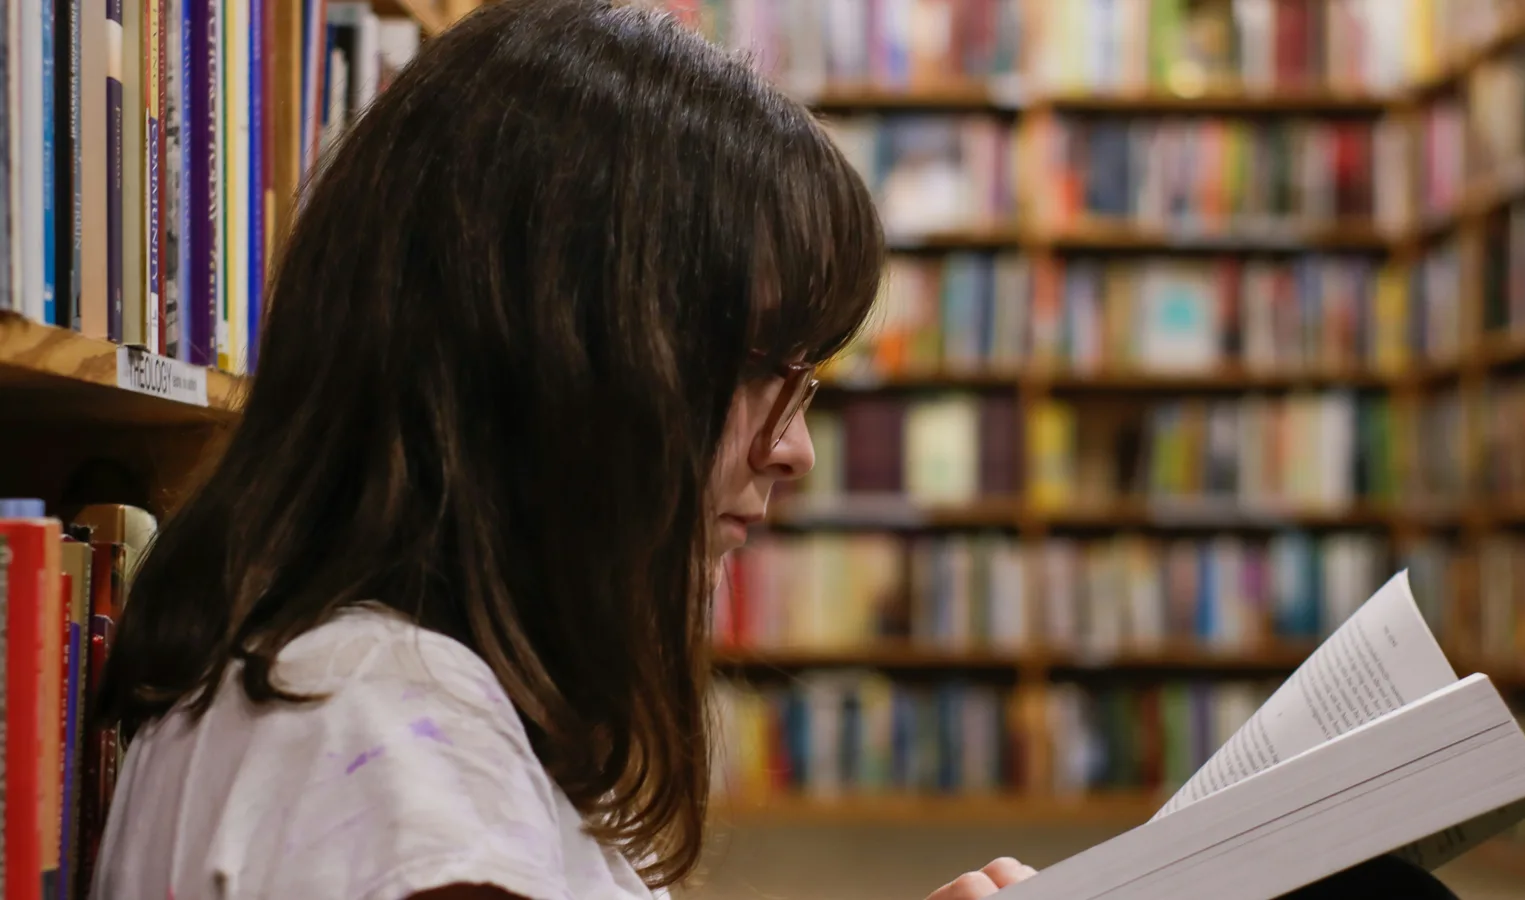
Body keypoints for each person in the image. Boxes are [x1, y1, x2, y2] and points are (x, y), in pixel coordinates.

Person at [87, 1, 1035, 898]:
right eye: (759, 370)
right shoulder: (384, 742)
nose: (796, 452)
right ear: (564, 354)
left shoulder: (385, 699)